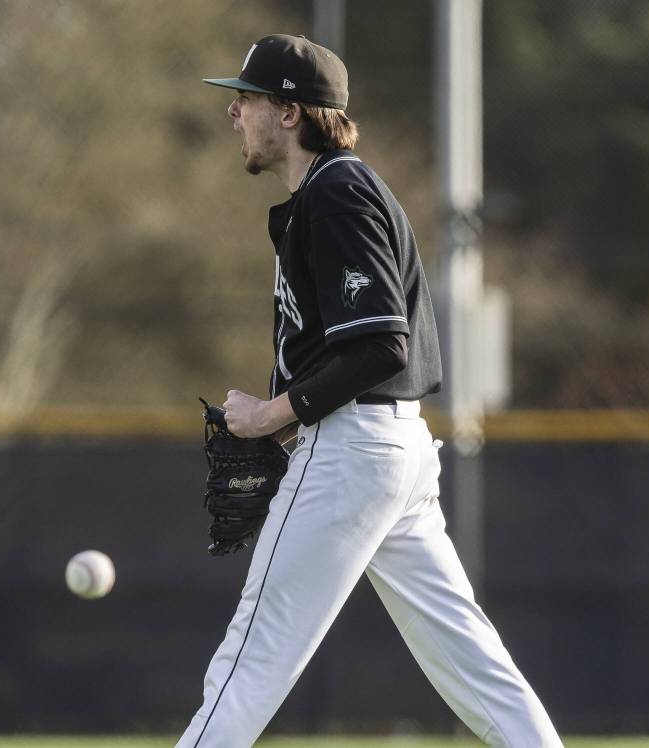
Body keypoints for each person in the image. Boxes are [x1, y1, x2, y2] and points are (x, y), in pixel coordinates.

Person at [175, 34, 562, 748]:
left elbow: (383, 345)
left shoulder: (340, 192)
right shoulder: (328, 192)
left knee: (248, 661)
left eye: (247, 99)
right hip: (388, 449)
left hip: (355, 448)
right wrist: (287, 419)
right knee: (474, 663)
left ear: (290, 112)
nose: (234, 113)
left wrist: (270, 414)